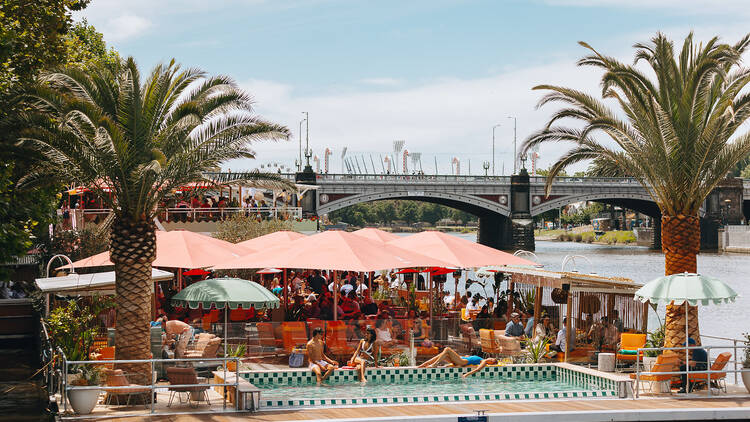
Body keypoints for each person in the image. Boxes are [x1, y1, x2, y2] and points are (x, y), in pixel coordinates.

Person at [417, 347, 499, 378]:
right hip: (460, 360)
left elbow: (478, 369)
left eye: (493, 361)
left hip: (461, 361)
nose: (491, 359)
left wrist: (466, 374)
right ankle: (424, 364)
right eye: (493, 358)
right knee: (443, 354)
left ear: (491, 364)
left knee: (447, 349)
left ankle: (433, 365)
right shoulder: (481, 358)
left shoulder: (484, 361)